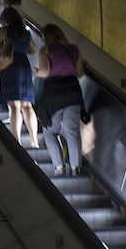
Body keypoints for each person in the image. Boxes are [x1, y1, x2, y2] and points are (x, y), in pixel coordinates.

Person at [35, 25, 86, 175]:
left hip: (54, 94)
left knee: (50, 132)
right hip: (72, 91)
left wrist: (38, 73)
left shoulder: (46, 49)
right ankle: (76, 167)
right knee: (72, 132)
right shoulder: (74, 48)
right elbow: (80, 72)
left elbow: (45, 72)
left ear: (46, 37)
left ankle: (59, 167)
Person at [0, 7, 40, 149]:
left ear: (5, 19)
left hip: (10, 66)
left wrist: (4, 50)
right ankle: (34, 140)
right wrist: (21, 51)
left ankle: (17, 140)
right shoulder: (26, 33)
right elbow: (34, 51)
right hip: (24, 66)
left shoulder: (3, 31)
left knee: (14, 105)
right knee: (27, 105)